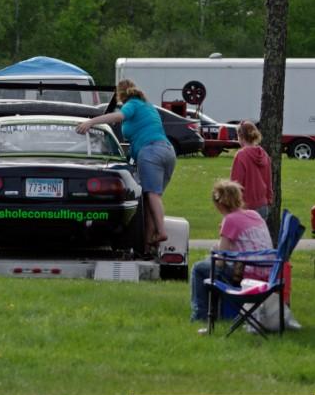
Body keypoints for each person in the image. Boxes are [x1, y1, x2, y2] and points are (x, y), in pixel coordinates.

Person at [76, 79, 176, 253]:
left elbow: (118, 117)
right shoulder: (147, 106)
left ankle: (161, 232)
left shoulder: (132, 104)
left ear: (121, 95)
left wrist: (91, 122)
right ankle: (146, 245)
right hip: (167, 151)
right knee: (151, 199)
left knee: (151, 195)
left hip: (150, 151)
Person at [190, 178, 273, 326]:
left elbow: (220, 261)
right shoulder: (255, 215)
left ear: (219, 203)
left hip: (246, 274)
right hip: (268, 272)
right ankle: (215, 312)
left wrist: (215, 251)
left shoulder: (230, 220)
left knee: (199, 269)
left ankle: (201, 315)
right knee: (208, 265)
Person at [230, 120, 273, 220]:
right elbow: (268, 180)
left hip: (245, 206)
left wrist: (231, 205)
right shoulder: (264, 154)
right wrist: (269, 200)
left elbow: (235, 184)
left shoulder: (241, 156)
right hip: (263, 205)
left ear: (240, 136)